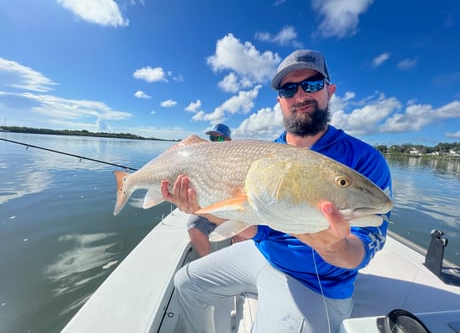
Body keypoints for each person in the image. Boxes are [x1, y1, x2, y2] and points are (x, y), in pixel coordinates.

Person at [160, 49, 393, 333]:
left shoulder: (364, 158)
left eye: (312, 84)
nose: (300, 95)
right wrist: (205, 209)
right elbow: (260, 230)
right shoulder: (266, 152)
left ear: (329, 91)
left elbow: (366, 244)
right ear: (280, 100)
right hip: (263, 255)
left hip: (315, 285)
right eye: (288, 88)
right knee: (186, 283)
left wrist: (334, 246)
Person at [187, 123, 232, 257]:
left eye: (218, 138)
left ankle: (236, 261)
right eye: (212, 138)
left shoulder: (236, 158)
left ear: (228, 140)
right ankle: (207, 262)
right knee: (193, 227)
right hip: (208, 206)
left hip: (231, 207)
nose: (214, 142)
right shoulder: (202, 157)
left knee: (242, 232)